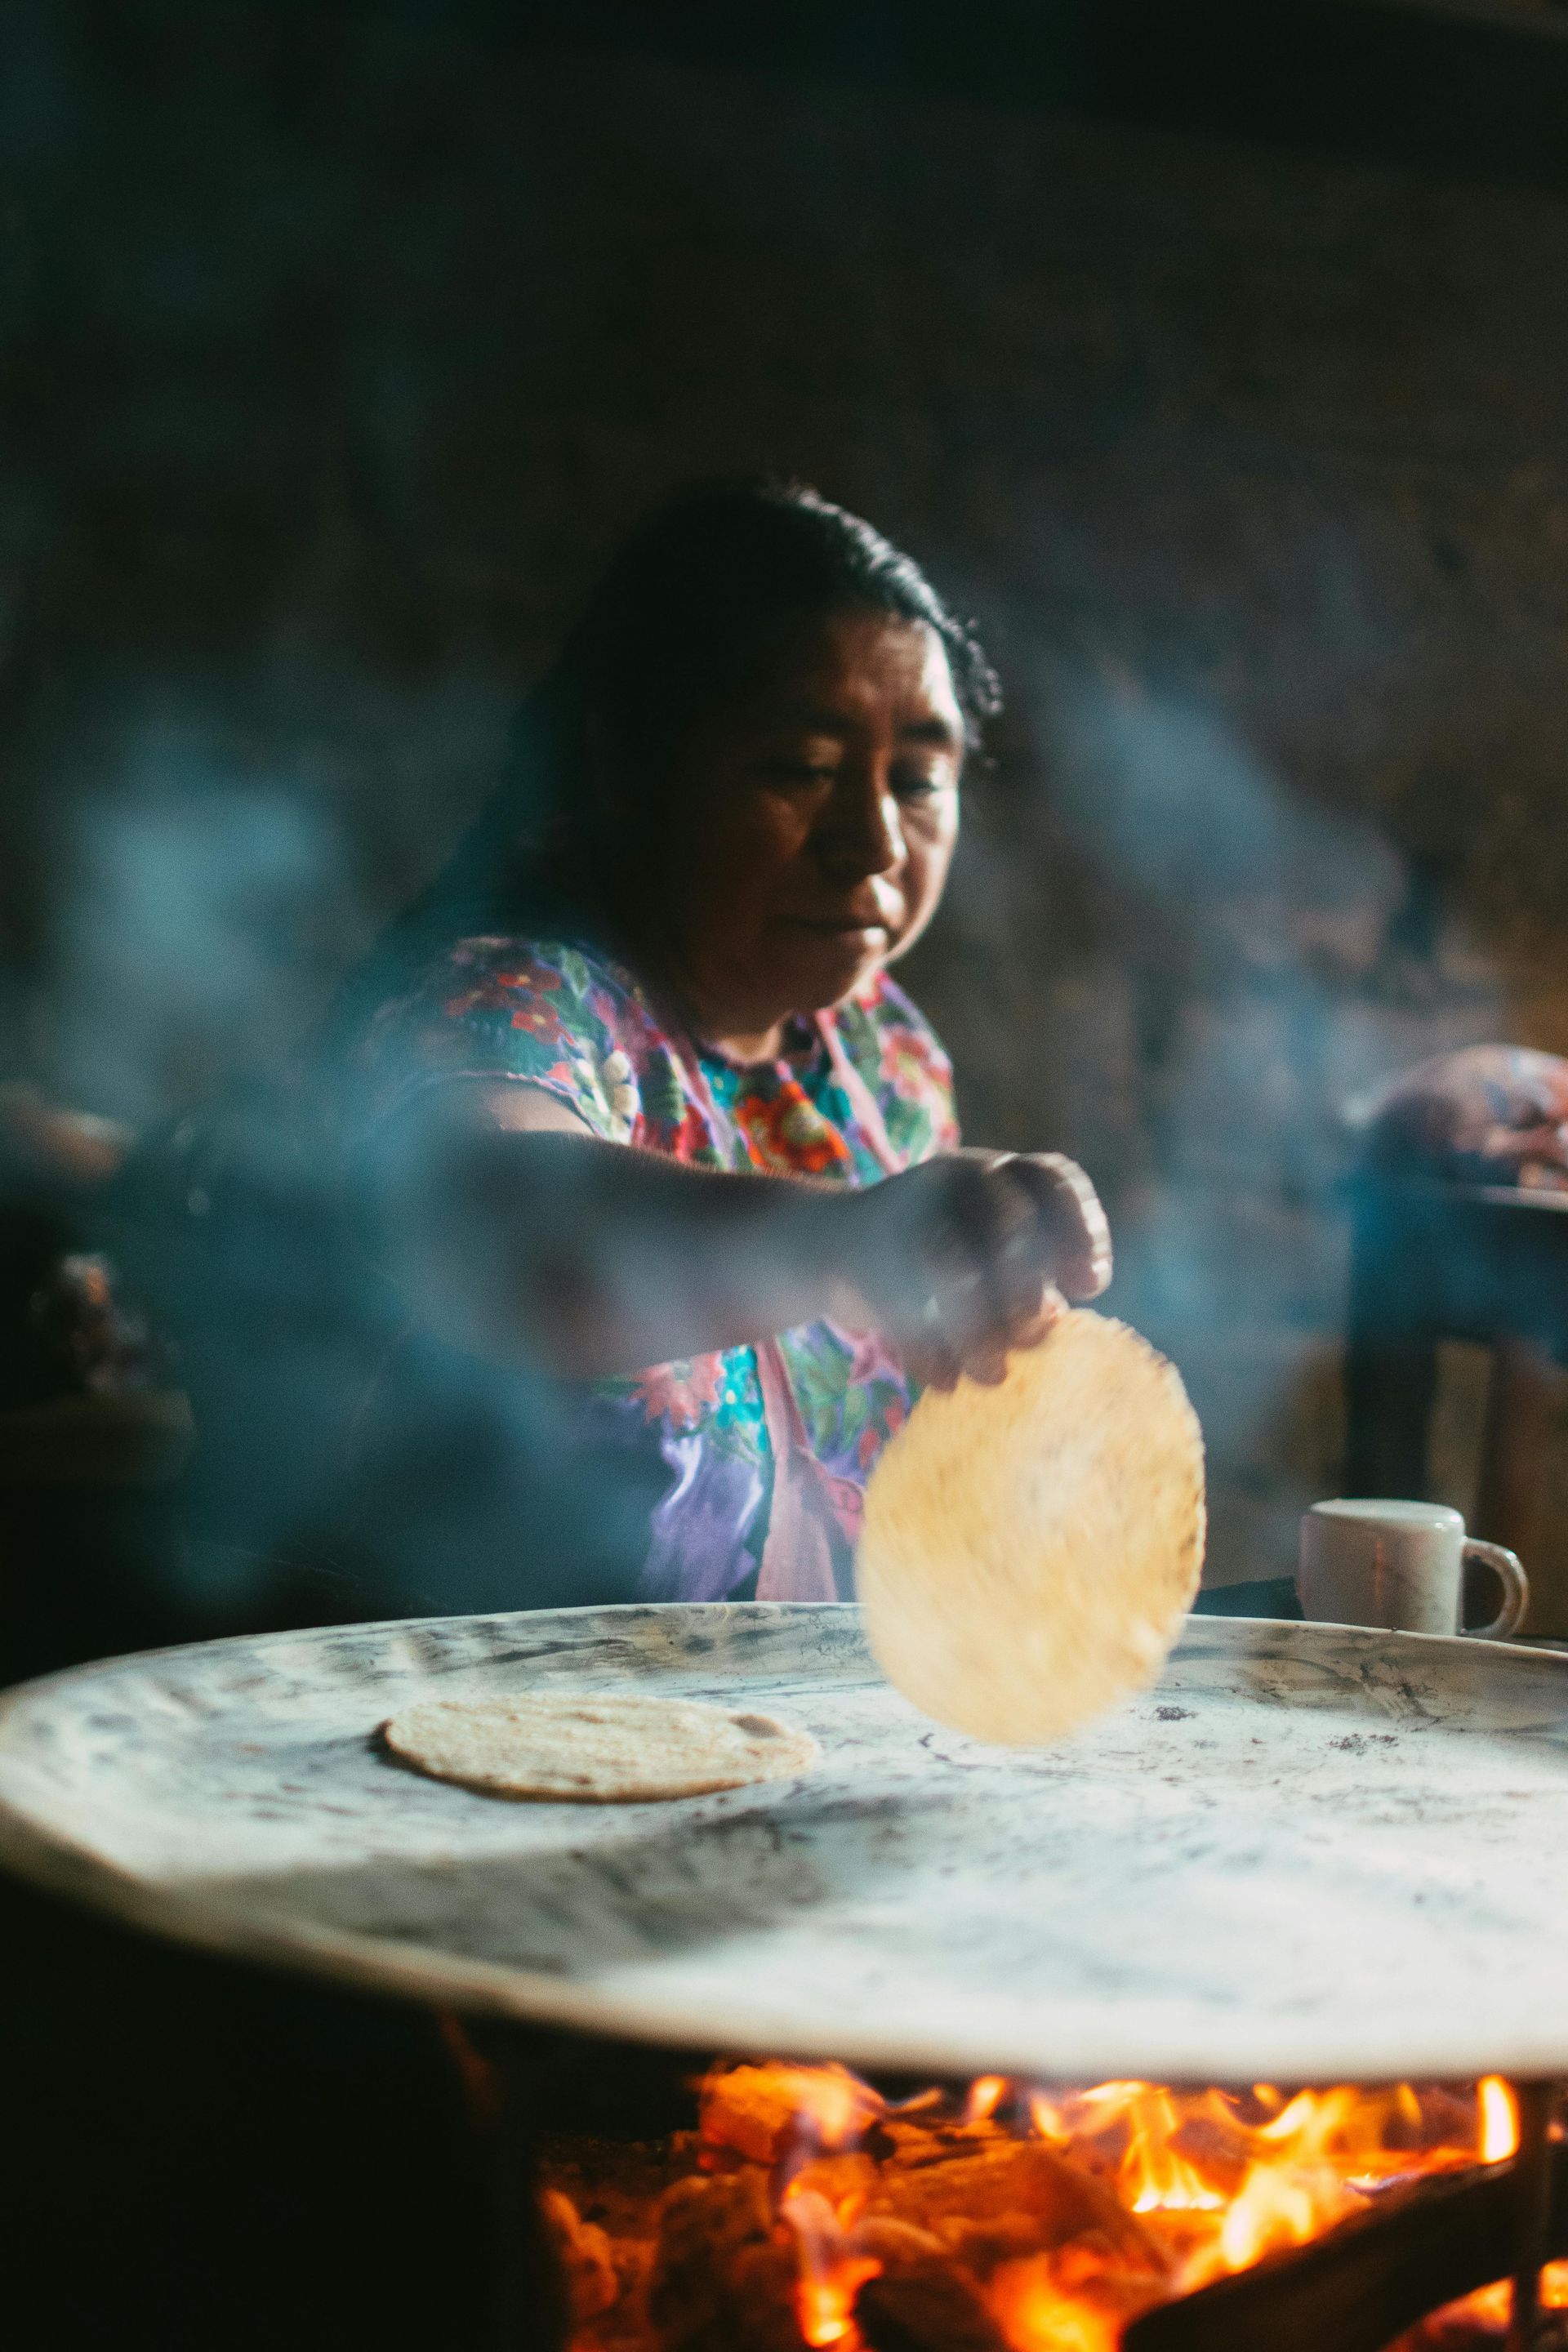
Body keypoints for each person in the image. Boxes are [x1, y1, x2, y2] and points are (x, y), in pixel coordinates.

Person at [316, 479, 1111, 1613]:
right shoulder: (508, 1003)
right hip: (469, 1724)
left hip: (791, 1738)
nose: (874, 839)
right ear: (621, 765)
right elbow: (498, 1219)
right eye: (799, 767)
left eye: (920, 777)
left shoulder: (881, 1060)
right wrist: (843, 1240)